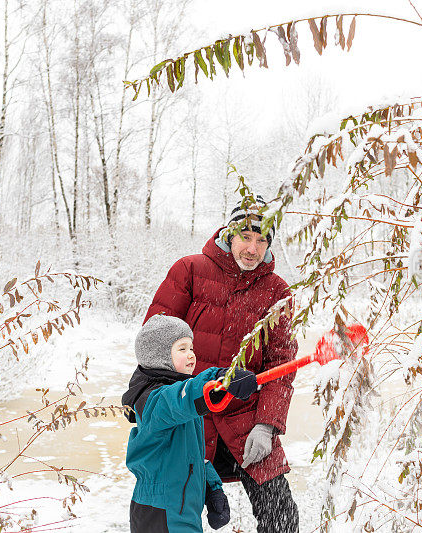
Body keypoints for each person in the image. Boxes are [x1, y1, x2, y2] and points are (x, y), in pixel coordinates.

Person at [144, 196, 300, 533]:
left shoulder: (277, 291)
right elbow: (156, 342)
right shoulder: (190, 270)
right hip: (190, 417)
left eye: (262, 239)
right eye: (246, 236)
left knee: (283, 519)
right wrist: (168, 404)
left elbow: (282, 363)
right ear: (229, 234)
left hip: (246, 419)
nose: (252, 248)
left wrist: (267, 425)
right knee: (168, 518)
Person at [122, 314, 258, 532]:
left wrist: (212, 488)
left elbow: (190, 457)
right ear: (160, 356)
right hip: (160, 513)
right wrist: (221, 378)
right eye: (182, 349)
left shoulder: (183, 402)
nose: (191, 355)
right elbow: (179, 399)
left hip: (181, 510)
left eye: (192, 348)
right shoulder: (152, 401)